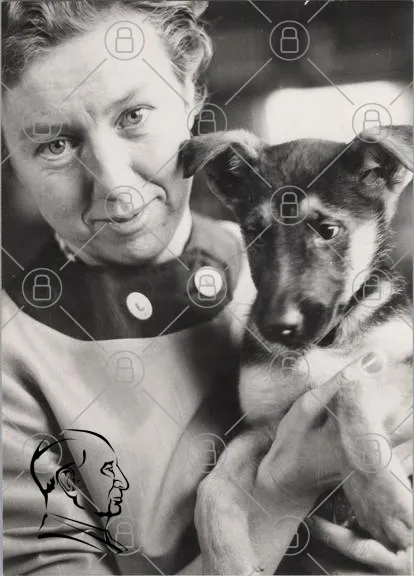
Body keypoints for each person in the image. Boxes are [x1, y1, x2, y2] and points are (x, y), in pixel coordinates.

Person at [2, 1, 411, 574]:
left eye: (133, 116)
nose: (116, 186)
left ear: (192, 98)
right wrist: (281, 490)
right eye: (54, 145)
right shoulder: (15, 354)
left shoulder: (294, 271)